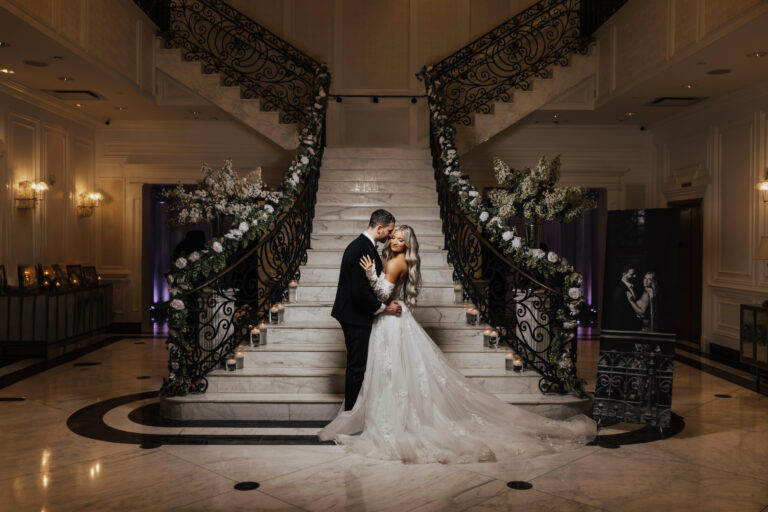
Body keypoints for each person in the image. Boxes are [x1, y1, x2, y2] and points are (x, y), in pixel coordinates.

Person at [319, 225, 596, 463]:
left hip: (391, 321)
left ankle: (393, 422)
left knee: (392, 372)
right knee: (394, 373)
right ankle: (395, 418)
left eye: (400, 239)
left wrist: (369, 273)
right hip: (394, 319)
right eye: (394, 237)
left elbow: (381, 292)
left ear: (407, 245)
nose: (394, 241)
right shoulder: (396, 260)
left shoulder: (394, 263)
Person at [331, 209, 401, 411]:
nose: (390, 235)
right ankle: (349, 415)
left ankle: (355, 413)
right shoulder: (362, 248)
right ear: (379, 227)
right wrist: (384, 308)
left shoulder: (364, 246)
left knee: (358, 367)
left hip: (356, 315)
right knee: (357, 368)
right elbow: (359, 293)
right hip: (355, 317)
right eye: (389, 231)